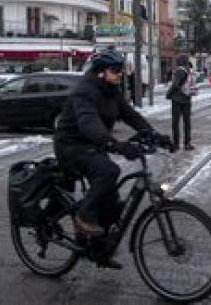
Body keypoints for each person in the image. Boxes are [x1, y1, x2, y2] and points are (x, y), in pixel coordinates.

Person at [55, 49, 172, 252]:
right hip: (71, 146)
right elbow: (89, 123)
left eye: (121, 70)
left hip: (93, 145)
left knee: (111, 201)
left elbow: (130, 115)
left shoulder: (111, 91)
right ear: (100, 72)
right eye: (115, 70)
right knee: (109, 171)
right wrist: (115, 145)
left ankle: (96, 244)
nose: (120, 74)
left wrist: (154, 135)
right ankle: (83, 216)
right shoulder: (86, 91)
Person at [167, 54, 196, 151]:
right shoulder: (188, 70)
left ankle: (176, 144)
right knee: (187, 122)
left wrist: (169, 94)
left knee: (175, 123)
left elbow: (175, 84)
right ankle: (187, 143)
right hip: (187, 98)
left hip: (177, 99)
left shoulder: (180, 71)